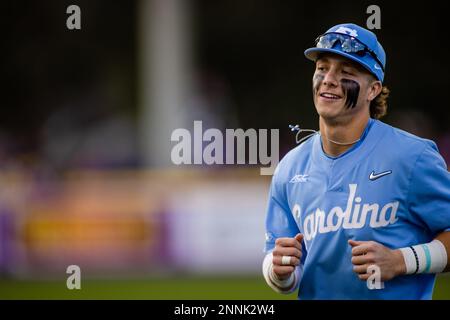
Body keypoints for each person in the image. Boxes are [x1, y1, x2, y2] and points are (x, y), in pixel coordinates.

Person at [262, 23, 450, 299]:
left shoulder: (412, 157)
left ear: (373, 90)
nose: (328, 79)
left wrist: (401, 261)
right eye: (322, 68)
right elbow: (284, 274)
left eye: (346, 72)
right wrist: (279, 271)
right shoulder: (289, 169)